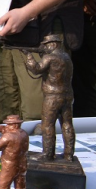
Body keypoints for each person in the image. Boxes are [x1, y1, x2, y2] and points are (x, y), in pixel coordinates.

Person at [23, 33, 76, 161]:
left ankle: (47, 154)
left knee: (47, 125)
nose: (44, 48)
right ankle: (69, 154)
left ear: (53, 44)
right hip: (67, 94)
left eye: (46, 45)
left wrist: (29, 55)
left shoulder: (50, 57)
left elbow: (36, 69)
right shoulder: (66, 57)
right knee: (67, 124)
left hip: (52, 97)